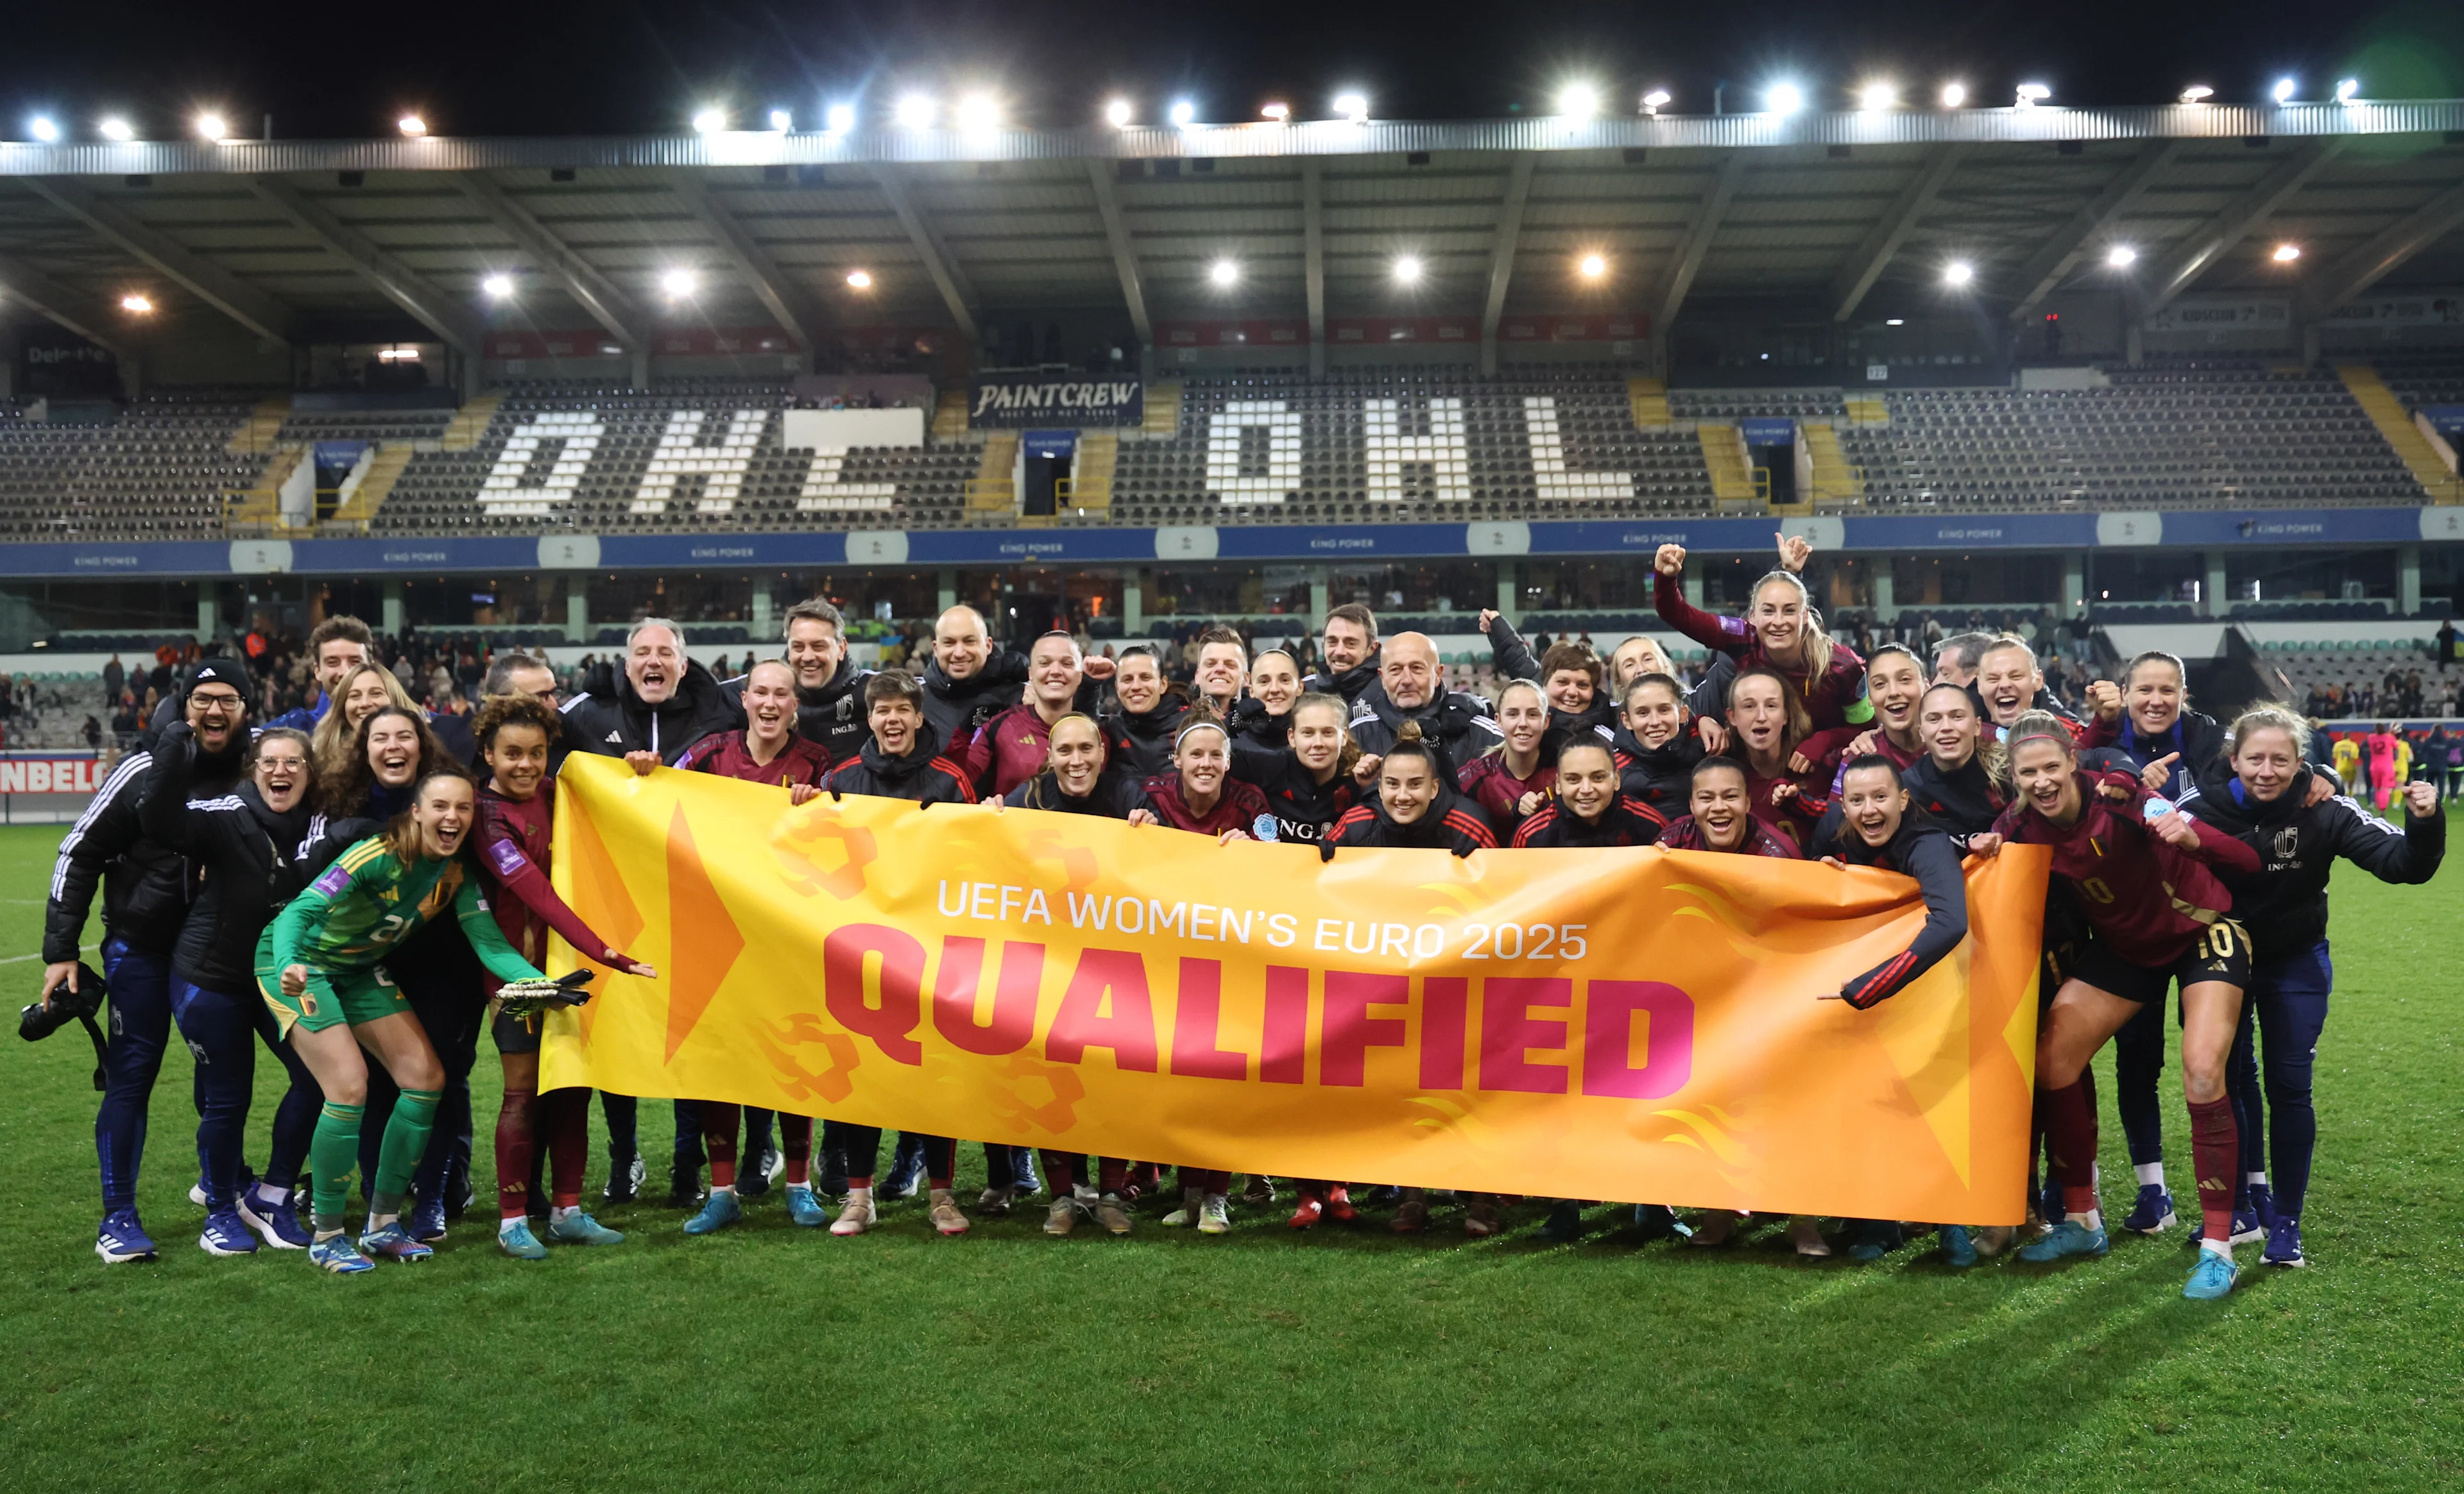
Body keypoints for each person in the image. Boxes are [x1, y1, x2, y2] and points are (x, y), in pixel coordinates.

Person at [1978, 712, 2262, 1300]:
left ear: (2073, 764)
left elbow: (2244, 861)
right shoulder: (2021, 823)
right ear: (2016, 777)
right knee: (2053, 1059)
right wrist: (1984, 847)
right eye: (2028, 773)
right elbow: (1991, 842)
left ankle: (2218, 1249)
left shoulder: (2117, 794)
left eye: (2051, 767)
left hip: (2201, 931)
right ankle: (2082, 1221)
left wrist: (2186, 832)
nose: (2042, 782)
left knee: (2204, 1071)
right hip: (2128, 953)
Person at [260, 765, 569, 1273]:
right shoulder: (376, 854)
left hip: (356, 969)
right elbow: (300, 910)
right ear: (417, 812)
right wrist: (291, 959)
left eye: (464, 808)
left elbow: (490, 944)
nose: (453, 817)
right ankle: (329, 1235)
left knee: (426, 1080)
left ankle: (383, 1226)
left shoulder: (455, 875)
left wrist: (541, 984)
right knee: (349, 1088)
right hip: (295, 965)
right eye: (442, 807)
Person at [2184, 707, 2445, 1268]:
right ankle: (2243, 1209)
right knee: (2228, 1081)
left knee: (2288, 1086)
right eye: (2255, 758)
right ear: (2234, 760)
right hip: (2224, 965)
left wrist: (2424, 822)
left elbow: (2402, 863)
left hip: (2296, 961)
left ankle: (2286, 1221)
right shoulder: (2201, 808)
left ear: (2301, 763)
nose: (2267, 770)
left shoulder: (2324, 808)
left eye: (2281, 759)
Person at [43, 655, 253, 1262]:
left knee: (221, 1078)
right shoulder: (143, 768)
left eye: (227, 700)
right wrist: (61, 950)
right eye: (203, 699)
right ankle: (119, 1218)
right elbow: (79, 852)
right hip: (142, 947)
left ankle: (221, 1202)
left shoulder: (259, 768)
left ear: (245, 708)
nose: (214, 710)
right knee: (133, 1075)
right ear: (186, 706)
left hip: (217, 956)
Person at [560, 619, 744, 1205]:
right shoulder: (586, 715)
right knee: (621, 1030)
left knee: (691, 1035)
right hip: (616, 900)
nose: (654, 661)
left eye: (666, 652)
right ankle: (624, 1157)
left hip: (696, 902)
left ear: (684, 665)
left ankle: (688, 1168)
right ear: (626, 662)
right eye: (643, 652)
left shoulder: (721, 711)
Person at [132, 716, 326, 1257]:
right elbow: (159, 821)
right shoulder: (225, 813)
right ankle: (219, 1211)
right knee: (228, 1100)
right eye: (270, 763)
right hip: (211, 981)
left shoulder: (321, 823)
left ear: (310, 773)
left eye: (293, 763)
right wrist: (173, 745)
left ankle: (272, 1195)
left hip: (276, 979)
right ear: (254, 770)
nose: (281, 771)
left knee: (319, 1077)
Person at [472, 692, 656, 1258]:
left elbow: (626, 806)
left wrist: (641, 774)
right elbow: (539, 895)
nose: (526, 765)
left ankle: (567, 1211)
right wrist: (608, 953)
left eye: (537, 753)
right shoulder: (485, 816)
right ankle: (510, 1221)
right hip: (518, 981)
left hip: (569, 970)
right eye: (512, 754)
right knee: (523, 1094)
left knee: (572, 1091)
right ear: (488, 754)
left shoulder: (560, 794)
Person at [667, 662, 834, 1237]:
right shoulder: (710, 753)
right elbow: (656, 798)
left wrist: (822, 806)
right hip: (717, 936)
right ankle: (722, 1193)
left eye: (780, 694)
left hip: (787, 939)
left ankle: (799, 1187)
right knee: (722, 1065)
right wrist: (640, 773)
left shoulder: (817, 763)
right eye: (759, 691)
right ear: (744, 699)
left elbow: (845, 833)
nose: (769, 702)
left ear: (795, 704)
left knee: (793, 1060)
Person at [1319, 724, 1494, 1234]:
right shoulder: (1355, 822)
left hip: (1461, 983)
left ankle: (1481, 1199)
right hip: (1387, 985)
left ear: (1435, 787)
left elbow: (1511, 900)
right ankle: (1411, 1195)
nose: (1402, 795)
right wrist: (1318, 866)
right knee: (1403, 1086)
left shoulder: (1470, 826)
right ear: (1380, 785)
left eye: (1415, 785)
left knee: (1468, 1089)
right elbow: (1313, 888)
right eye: (1392, 785)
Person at [823, 669, 974, 1239]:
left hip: (935, 955)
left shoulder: (949, 780)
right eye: (881, 711)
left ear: (918, 717)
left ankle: (941, 1197)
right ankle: (859, 1199)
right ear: (870, 718)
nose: (891, 720)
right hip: (860, 953)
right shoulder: (840, 778)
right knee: (863, 1075)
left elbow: (972, 861)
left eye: (901, 711)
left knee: (936, 1075)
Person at [1809, 755, 1973, 1263]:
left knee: (1934, 1098)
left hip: (1931, 990)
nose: (1869, 809)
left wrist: (1870, 986)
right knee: (1859, 1099)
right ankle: (1874, 1223)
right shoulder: (1832, 833)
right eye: (1856, 800)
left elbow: (1950, 924)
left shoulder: (1927, 844)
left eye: (1880, 797)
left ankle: (1953, 1222)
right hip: (1859, 998)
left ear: (1903, 800)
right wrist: (1826, 879)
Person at [991, 715, 1152, 1235]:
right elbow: (986, 848)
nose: (1077, 760)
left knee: (1113, 1077)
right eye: (1066, 750)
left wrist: (1154, 831)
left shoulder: (1128, 791)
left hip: (1116, 965)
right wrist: (986, 820)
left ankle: (1109, 1195)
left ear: (1102, 752)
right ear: (1050, 754)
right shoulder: (1028, 796)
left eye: (1086, 748)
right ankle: (1062, 1197)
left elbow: (1171, 854)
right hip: (1051, 963)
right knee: (1052, 1072)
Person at [1653, 534, 1871, 733]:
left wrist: (1822, 744)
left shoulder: (1845, 666)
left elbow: (1866, 730)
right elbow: (1679, 615)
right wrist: (1665, 578)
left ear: (1805, 616)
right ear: (1753, 617)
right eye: (1768, 611)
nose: (1778, 622)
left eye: (1789, 611)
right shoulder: (1743, 637)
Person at [1345, 631, 1503, 789]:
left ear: (1438, 674)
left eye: (1417, 668)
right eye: (1395, 670)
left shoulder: (1481, 732)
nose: (1406, 680)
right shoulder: (1358, 734)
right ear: (1383, 679)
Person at [963, 631, 1086, 799]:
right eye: (1044, 663)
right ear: (1030, 674)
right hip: (1009, 825)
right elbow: (958, 782)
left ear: (1080, 676)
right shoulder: (1000, 726)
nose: (1056, 671)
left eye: (1067, 663)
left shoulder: (1097, 735)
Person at [1723, 667, 1831, 852]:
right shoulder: (1724, 776)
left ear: (1786, 716)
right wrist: (1700, 721)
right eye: (1749, 706)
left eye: (1771, 706)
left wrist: (1827, 739)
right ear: (1732, 717)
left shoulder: (1818, 766)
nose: (1761, 717)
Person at [1480, 611, 1616, 742]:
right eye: (1563, 682)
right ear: (1544, 684)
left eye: (1583, 685)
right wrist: (1497, 626)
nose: (1573, 692)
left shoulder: (1610, 727)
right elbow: (1519, 659)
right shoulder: (1537, 702)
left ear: (1594, 690)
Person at [1512, 738, 1666, 848]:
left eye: (1598, 778)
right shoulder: (1532, 834)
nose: (1586, 789)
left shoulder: (1650, 825)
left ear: (1617, 780)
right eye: (1573, 780)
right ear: (1558, 785)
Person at [1143, 719, 1271, 843]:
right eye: (1196, 754)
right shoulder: (1153, 795)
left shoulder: (1250, 801)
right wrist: (1139, 827)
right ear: (1177, 759)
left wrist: (1252, 851)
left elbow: (1274, 857)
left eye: (1216, 755)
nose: (1206, 764)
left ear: (1228, 762)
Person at [1459, 680, 1557, 836]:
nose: (1523, 723)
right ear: (1498, 720)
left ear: (1546, 721)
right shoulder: (1478, 776)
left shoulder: (1562, 769)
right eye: (1513, 714)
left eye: (1533, 714)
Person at [1656, 756, 1801, 859]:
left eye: (1730, 796)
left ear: (1748, 803)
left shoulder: (1780, 856)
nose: (1719, 807)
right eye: (1706, 798)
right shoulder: (1673, 842)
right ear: (1692, 806)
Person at [1609, 673, 1704, 821]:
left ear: (1683, 713)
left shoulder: (1708, 751)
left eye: (1664, 710)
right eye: (1643, 713)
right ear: (1626, 721)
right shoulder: (1612, 771)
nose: (1654, 722)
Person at [1831, 644, 1928, 790]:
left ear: (1927, 687)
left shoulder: (1950, 743)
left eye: (1905, 679)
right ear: (1870, 698)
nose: (1893, 692)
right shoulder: (1858, 757)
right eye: (1880, 684)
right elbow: (1836, 811)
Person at [309, 661, 418, 788]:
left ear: (395, 700)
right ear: (342, 706)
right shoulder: (320, 758)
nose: (365, 703)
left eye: (376, 694)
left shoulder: (425, 748)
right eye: (355, 696)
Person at [264, 615, 374, 734]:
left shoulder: (392, 726)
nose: (345, 672)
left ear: (372, 668)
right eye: (333, 662)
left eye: (355, 662)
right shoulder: (293, 730)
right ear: (317, 670)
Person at [1100, 644, 1189, 778]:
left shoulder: (1190, 726)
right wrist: (1089, 687)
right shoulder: (1112, 732)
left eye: (1145, 678)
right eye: (1127, 679)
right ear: (1117, 688)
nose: (1136, 686)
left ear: (1163, 685)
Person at [1308, 602, 1382, 705]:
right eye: (1332, 642)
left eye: (1350, 643)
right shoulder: (1304, 690)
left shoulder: (1389, 691)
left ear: (1372, 649)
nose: (1339, 652)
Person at [1229, 648, 1303, 750]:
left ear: (1300, 687)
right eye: (1264, 682)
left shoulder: (1316, 739)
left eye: (1285, 680)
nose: (1274, 689)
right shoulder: (1233, 745)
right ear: (1251, 691)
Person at [1190, 623, 1249, 717]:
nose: (1220, 669)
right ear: (1197, 675)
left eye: (1230, 665)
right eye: (1211, 664)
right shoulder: (1176, 728)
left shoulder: (1261, 728)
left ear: (1246, 679)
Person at [2364, 723, 2397, 812]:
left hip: (2374, 766)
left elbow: (2371, 740)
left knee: (2377, 788)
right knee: (2385, 788)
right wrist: (2391, 734)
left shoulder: (2371, 738)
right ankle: (2382, 809)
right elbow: (2396, 745)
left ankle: (2376, 805)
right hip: (2387, 766)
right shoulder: (2389, 737)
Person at [2329, 730, 2361, 798]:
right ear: (2349, 736)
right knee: (2351, 785)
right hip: (2350, 767)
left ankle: (2341, 797)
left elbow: (2334, 756)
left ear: (2342, 736)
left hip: (2340, 767)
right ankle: (2351, 797)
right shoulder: (2353, 745)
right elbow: (2355, 756)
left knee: (2340, 785)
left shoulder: (2338, 745)